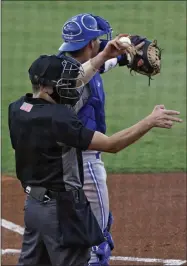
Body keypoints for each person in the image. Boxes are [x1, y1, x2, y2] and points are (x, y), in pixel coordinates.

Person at [8, 37, 138, 266]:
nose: (70, 85)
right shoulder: (60, 118)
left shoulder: (18, 109)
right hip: (62, 212)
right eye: (64, 82)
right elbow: (112, 145)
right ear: (49, 87)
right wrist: (150, 120)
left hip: (34, 207)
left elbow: (76, 80)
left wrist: (104, 57)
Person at [57, 13, 146, 265]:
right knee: (98, 240)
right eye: (97, 39)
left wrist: (120, 53)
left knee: (63, 236)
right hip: (85, 162)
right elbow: (89, 71)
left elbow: (100, 65)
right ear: (89, 45)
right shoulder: (75, 81)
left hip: (60, 164)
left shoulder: (64, 69)